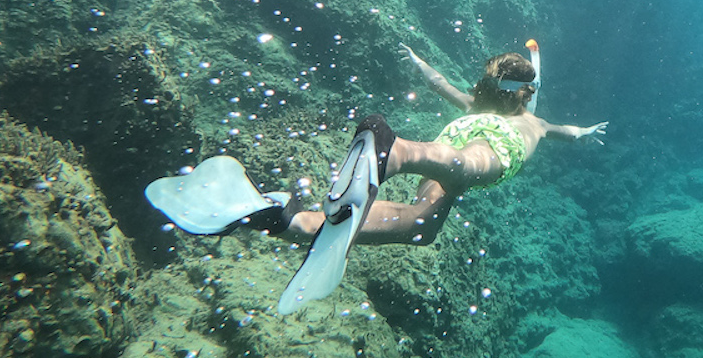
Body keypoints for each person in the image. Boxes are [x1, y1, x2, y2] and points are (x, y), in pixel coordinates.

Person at [145, 41, 607, 315]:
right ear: (526, 94)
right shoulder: (533, 122)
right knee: (470, 166)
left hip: (452, 141)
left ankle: (278, 217)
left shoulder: (476, 105)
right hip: (481, 152)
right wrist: (584, 134)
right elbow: (564, 131)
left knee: (420, 226)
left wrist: (419, 62)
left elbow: (439, 83)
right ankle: (395, 151)